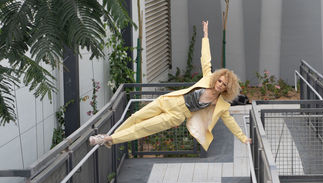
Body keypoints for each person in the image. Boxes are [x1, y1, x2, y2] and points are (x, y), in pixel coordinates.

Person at [90, 19, 252, 150]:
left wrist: (243, 138)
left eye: (223, 85)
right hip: (168, 101)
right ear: (216, 78)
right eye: (220, 81)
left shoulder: (220, 104)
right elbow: (206, 58)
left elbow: (230, 122)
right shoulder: (207, 78)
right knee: (136, 117)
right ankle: (111, 139)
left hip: (176, 116)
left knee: (144, 128)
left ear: (226, 89)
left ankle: (107, 138)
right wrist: (205, 35)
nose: (219, 85)